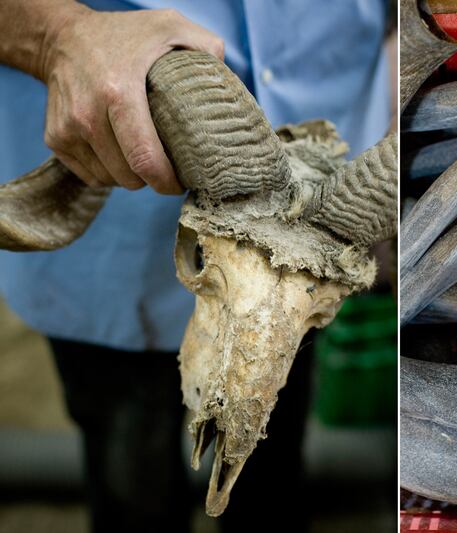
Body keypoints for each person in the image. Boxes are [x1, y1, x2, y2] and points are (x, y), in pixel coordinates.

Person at [0, 1, 394, 532]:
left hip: (336, 182)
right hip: (115, 188)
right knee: (130, 476)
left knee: (272, 456)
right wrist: (56, 35)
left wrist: (406, 43)